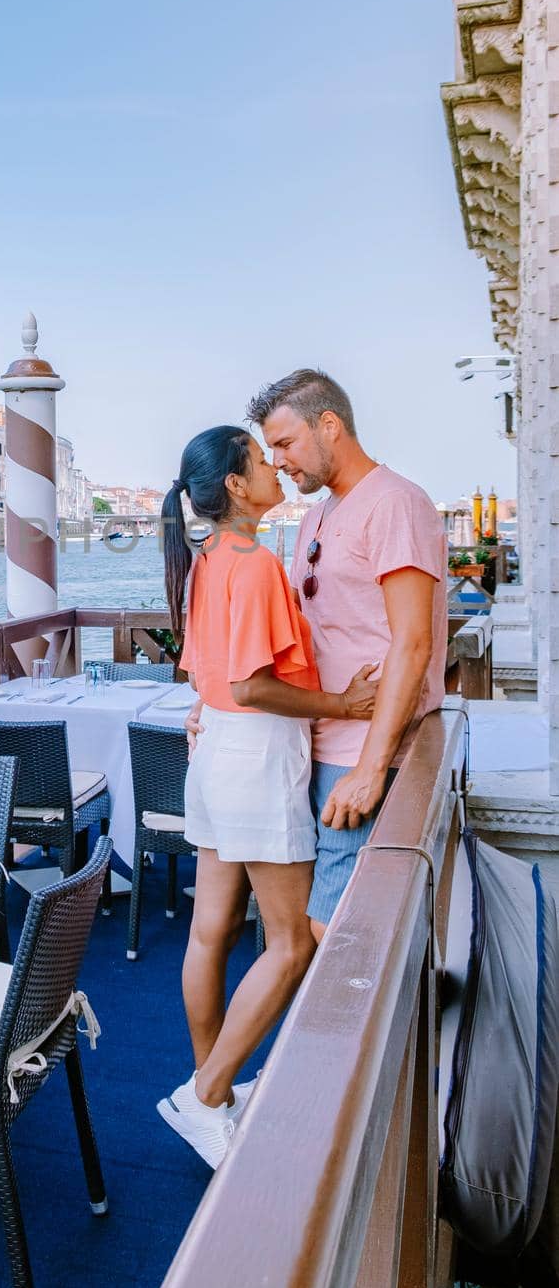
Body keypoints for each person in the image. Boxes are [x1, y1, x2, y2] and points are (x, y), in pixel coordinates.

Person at [158, 426, 378, 1169]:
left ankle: (206, 1088)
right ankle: (208, 1095)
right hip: (254, 757)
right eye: (259, 459)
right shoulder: (251, 566)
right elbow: (254, 683)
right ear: (234, 486)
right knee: (287, 944)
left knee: (207, 930)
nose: (273, 465)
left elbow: (211, 678)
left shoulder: (205, 563)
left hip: (217, 751)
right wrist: (344, 706)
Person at [246, 369, 448, 939]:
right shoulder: (318, 513)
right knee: (306, 921)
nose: (279, 461)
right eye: (272, 450)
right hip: (316, 738)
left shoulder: (395, 504)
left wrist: (370, 768)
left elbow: (412, 642)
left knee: (331, 928)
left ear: (329, 425)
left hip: (361, 749)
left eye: (286, 443)